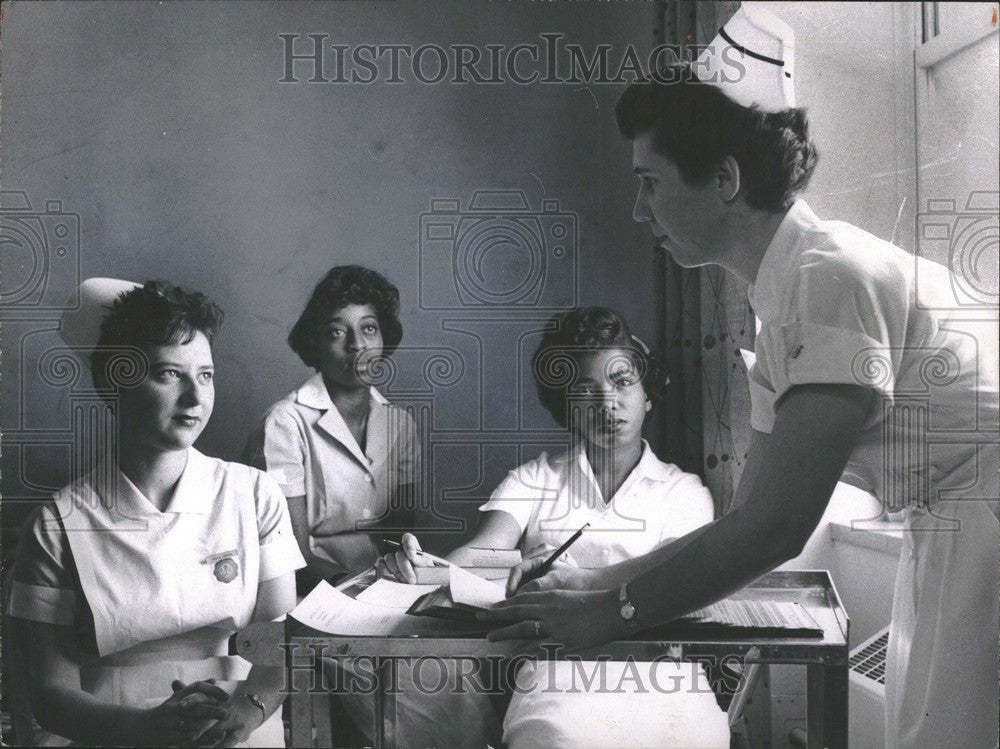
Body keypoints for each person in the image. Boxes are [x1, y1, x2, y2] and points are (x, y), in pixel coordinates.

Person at [480, 8, 999, 749]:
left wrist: (610, 613)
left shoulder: (832, 276)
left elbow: (777, 529)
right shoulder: (781, 300)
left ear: (723, 178)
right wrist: (596, 581)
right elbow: (748, 514)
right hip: (953, 526)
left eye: (650, 184)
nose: (639, 209)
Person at [379, 307, 730, 749]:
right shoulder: (535, 479)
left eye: (622, 382)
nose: (608, 403)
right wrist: (421, 567)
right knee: (560, 737)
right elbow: (483, 553)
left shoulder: (683, 490)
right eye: (586, 389)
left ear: (648, 395)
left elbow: (687, 575)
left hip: (660, 668)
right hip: (558, 665)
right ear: (566, 406)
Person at [6, 278, 306, 747]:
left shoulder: (252, 494)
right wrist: (143, 728)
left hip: (235, 718)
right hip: (111, 728)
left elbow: (278, 643)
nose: (194, 397)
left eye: (205, 375)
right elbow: (50, 692)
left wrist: (246, 713)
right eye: (169, 374)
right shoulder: (59, 524)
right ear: (115, 383)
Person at [245, 265, 419, 592]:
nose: (357, 345)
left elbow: (401, 539)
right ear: (317, 342)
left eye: (369, 328)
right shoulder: (284, 424)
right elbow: (287, 552)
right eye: (338, 332)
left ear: (384, 337)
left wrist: (397, 582)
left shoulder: (401, 425)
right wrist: (350, 586)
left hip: (384, 588)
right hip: (305, 592)